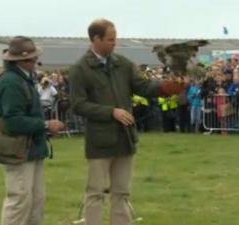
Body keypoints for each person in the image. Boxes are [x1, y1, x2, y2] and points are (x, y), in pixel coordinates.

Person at [69, 18, 184, 225]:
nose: (115, 43)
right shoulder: (80, 69)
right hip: (99, 141)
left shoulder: (123, 64)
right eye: (110, 39)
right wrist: (110, 112)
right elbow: (78, 104)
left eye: (115, 38)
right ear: (95, 39)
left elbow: (143, 86)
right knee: (95, 192)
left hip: (125, 138)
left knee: (121, 192)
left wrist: (165, 88)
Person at [0, 36, 64, 225]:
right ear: (21, 60)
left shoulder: (22, 78)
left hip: (29, 148)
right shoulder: (12, 82)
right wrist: (45, 125)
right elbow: (12, 121)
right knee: (19, 200)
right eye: (32, 58)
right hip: (18, 149)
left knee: (35, 201)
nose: (36, 61)